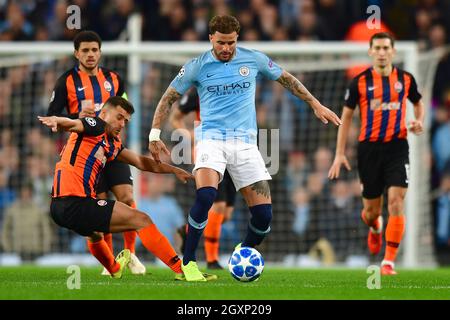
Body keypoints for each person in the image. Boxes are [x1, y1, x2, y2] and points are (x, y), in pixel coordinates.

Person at [148, 15, 341, 281]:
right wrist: (154, 133)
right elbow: (168, 98)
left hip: (245, 143)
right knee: (206, 197)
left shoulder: (254, 59)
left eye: (230, 43)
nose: (226, 48)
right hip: (211, 139)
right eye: (220, 43)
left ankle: (244, 251)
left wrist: (315, 104)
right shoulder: (197, 66)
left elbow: (287, 79)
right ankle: (189, 263)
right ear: (210, 39)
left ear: (237, 38)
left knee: (263, 217)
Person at [38, 96, 216, 281]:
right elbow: (74, 124)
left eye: (126, 121)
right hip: (75, 202)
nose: (122, 124)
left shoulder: (111, 143)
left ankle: (114, 268)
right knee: (141, 219)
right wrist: (58, 121)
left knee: (94, 234)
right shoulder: (96, 125)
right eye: (119, 117)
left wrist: (174, 170)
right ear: (104, 113)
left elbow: (141, 161)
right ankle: (182, 269)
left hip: (59, 207)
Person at [47, 30, 145, 275]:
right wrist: (77, 117)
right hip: (86, 155)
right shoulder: (66, 82)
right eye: (85, 50)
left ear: (100, 52)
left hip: (111, 149)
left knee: (126, 195)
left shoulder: (114, 79)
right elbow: (52, 117)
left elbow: (126, 109)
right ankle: (110, 260)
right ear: (76, 53)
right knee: (100, 203)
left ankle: (131, 254)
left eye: (94, 50)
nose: (90, 55)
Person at [328, 32, 425, 275]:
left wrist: (418, 121)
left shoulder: (406, 79)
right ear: (370, 52)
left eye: (386, 48)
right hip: (369, 150)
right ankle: (375, 228)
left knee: (396, 202)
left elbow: (418, 103)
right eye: (377, 48)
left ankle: (388, 262)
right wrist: (339, 154)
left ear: (393, 51)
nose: (382, 53)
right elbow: (347, 118)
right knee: (371, 212)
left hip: (397, 147)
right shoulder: (359, 82)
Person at [169, 88, 236, 269]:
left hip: (234, 150)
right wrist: (190, 135)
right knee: (218, 205)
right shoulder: (199, 90)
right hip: (209, 150)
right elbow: (175, 118)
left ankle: (187, 231)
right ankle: (211, 259)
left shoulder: (238, 86)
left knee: (226, 214)